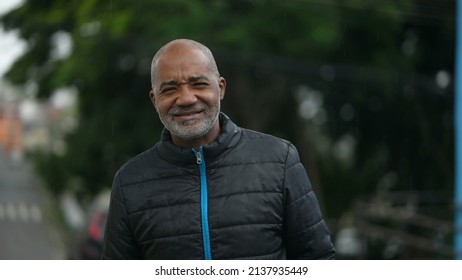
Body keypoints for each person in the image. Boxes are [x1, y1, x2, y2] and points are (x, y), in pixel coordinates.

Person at [101, 38, 336, 260]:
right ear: (154, 100)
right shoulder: (130, 183)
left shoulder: (279, 160)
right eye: (170, 89)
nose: (185, 98)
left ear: (220, 88)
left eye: (198, 84)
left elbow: (317, 260)